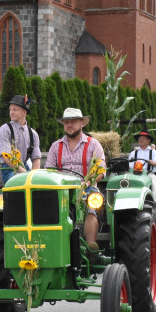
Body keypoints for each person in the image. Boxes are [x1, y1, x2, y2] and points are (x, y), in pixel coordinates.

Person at [45, 107, 105, 250]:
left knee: (91, 207)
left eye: (73, 122)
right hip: (61, 191)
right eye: (66, 122)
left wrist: (87, 183)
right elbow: (48, 172)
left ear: (81, 124)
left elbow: (101, 170)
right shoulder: (55, 146)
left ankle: (91, 248)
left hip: (87, 188)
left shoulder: (93, 144)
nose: (69, 125)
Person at [0, 95, 41, 184]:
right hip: (9, 169)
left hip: (26, 168)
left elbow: (36, 159)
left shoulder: (33, 134)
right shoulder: (4, 130)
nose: (11, 112)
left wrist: (34, 176)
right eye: (10, 109)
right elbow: (6, 157)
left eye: (15, 109)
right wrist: (25, 174)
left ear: (24, 112)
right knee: (19, 182)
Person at [128, 131, 156, 199]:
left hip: (149, 174)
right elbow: (129, 165)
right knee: (125, 182)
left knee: (154, 184)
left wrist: (151, 162)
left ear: (148, 140)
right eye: (139, 138)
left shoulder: (154, 152)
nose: (141, 140)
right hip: (134, 174)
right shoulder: (133, 153)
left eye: (143, 138)